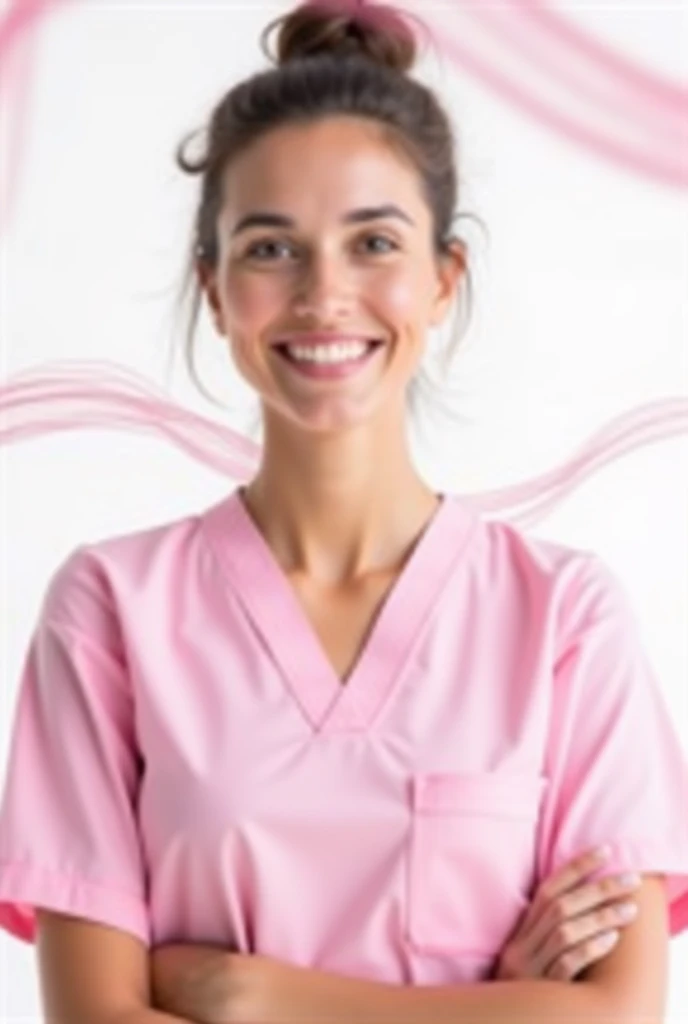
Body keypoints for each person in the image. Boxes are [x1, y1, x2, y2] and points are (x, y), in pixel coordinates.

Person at [1, 0, 687, 1020]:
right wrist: (497, 1007)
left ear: (442, 277)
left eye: (373, 242)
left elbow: (618, 1015)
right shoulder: (109, 609)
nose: (325, 294)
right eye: (271, 249)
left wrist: (249, 991)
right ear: (216, 287)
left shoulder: (564, 618)